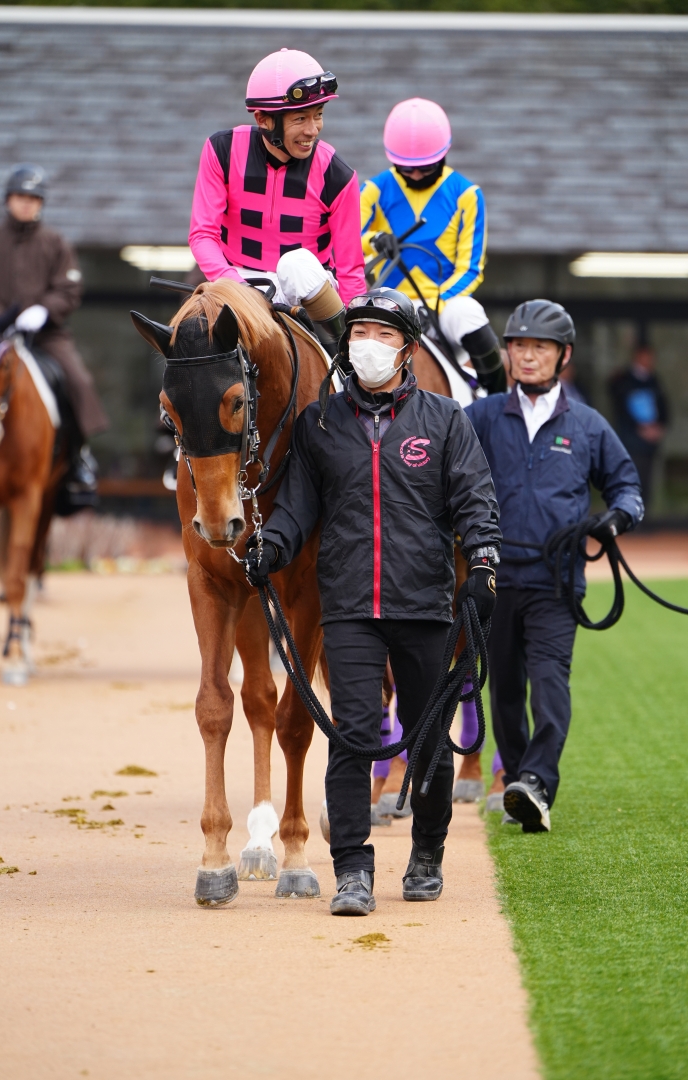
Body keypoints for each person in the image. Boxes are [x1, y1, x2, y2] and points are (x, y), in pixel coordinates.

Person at [243, 287, 501, 914]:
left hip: (424, 606)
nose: (369, 344)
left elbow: (475, 499)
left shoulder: (445, 420)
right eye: (360, 332)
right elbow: (299, 505)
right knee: (354, 736)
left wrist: (485, 561)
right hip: (351, 607)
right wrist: (271, 545)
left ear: (408, 349)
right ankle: (353, 870)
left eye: (384, 335)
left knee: (430, 739)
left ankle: (427, 854)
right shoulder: (320, 423)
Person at [466, 300, 644, 833]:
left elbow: (627, 487)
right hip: (496, 580)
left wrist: (614, 519)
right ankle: (523, 782)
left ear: (562, 355)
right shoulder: (481, 416)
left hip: (557, 582)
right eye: (518, 345)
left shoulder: (588, 425)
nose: (526, 356)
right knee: (503, 693)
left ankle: (538, 781)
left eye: (539, 347)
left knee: (549, 684)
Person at [189, 48, 365, 355]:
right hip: (239, 282)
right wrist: (237, 287)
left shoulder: (339, 176)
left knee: (295, 264)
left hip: (309, 289)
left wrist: (358, 332)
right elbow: (203, 236)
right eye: (301, 118)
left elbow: (351, 270)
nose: (313, 129)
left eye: (318, 115)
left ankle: (346, 359)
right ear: (264, 119)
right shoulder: (221, 150)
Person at [0, 164, 107, 510]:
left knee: (78, 380)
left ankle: (78, 461)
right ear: (8, 200)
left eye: (33, 198)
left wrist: (44, 310)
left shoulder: (55, 243)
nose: (26, 204)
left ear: (40, 203)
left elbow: (69, 287)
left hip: (46, 336)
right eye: (20, 197)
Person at [360, 98, 505, 395]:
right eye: (405, 169)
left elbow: (471, 268)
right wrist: (374, 240)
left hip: (443, 305)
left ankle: (497, 399)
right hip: (383, 301)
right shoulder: (372, 190)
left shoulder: (467, 195)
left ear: (443, 155)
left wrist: (435, 305)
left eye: (424, 168)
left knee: (469, 312)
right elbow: (346, 244)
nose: (414, 175)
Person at [608, 345, 668, 512]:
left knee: (647, 481)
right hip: (632, 442)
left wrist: (659, 427)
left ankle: (644, 516)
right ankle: (629, 516)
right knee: (632, 480)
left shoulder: (654, 380)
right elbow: (619, 406)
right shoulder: (623, 380)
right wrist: (638, 429)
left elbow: (663, 408)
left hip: (650, 443)